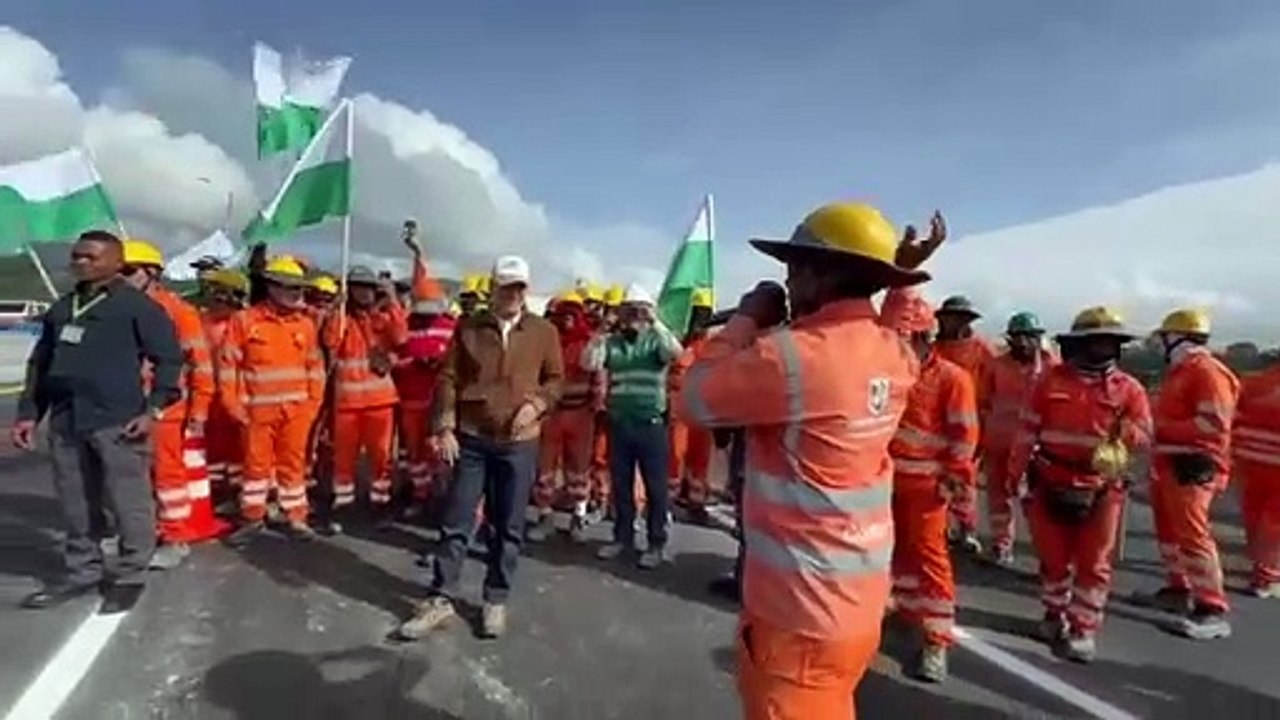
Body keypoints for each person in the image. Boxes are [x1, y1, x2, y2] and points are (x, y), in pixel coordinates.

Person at [679, 202, 945, 720]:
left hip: (796, 615)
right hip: (855, 607)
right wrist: (899, 275)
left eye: (795, 267)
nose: (787, 279)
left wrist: (746, 319)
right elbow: (888, 321)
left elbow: (693, 398)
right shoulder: (893, 353)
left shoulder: (790, 357)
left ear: (819, 274)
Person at [12, 230, 183, 614]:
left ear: (117, 262)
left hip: (119, 420)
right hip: (67, 419)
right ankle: (83, 571)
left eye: (90, 256)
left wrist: (152, 410)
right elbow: (41, 364)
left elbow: (169, 360)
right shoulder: (63, 307)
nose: (80, 262)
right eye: (77, 255)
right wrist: (28, 414)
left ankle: (130, 574)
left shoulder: (137, 307)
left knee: (128, 501)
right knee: (76, 501)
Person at [398, 255, 563, 640]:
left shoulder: (543, 332)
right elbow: (448, 378)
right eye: (506, 287)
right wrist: (445, 426)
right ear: (493, 288)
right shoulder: (469, 328)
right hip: (472, 439)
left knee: (508, 525)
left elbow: (555, 380)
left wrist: (538, 405)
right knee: (456, 520)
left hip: (518, 443)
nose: (513, 294)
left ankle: (495, 598)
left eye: (519, 287)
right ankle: (441, 597)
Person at [1007, 307, 1151, 663]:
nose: (1103, 348)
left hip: (1102, 488)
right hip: (1049, 480)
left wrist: (1124, 433)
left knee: (1094, 563)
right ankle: (1054, 613)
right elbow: (1026, 431)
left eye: (1110, 342)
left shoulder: (1129, 389)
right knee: (1053, 560)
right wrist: (1015, 475)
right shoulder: (1048, 382)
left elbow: (1145, 435)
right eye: (1096, 341)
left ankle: (1083, 627)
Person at [886, 289, 979, 683]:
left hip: (926, 487)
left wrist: (954, 481)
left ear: (923, 337)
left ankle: (937, 640)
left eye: (902, 338)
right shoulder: (889, 373)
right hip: (883, 482)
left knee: (929, 557)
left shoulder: (952, 379)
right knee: (893, 551)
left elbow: (964, 437)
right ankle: (905, 609)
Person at [1139, 309, 1240, 639]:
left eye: (1165, 337)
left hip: (1194, 465)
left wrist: (1160, 428)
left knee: (1194, 535)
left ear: (1178, 337)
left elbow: (1214, 424)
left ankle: (1212, 607)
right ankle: (1179, 589)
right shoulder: (1181, 371)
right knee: (1170, 533)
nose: (1161, 344)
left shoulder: (1207, 372)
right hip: (1170, 463)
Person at [119, 239, 216, 570]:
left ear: (152, 273)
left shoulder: (179, 312)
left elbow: (201, 364)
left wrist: (199, 411)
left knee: (166, 475)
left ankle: (176, 537)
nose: (121, 278)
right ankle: (137, 532)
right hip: (121, 406)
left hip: (165, 409)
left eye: (128, 271)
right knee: (128, 475)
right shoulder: (114, 308)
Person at [219, 257, 326, 546]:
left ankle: (296, 517)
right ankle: (252, 517)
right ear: (273, 287)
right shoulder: (245, 321)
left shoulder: (305, 325)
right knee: (255, 467)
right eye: (291, 288)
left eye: (299, 288)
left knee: (293, 465)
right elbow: (228, 366)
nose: (297, 294)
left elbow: (315, 368)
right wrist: (233, 405)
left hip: (297, 412)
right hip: (256, 411)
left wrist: (312, 405)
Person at [583, 284, 683, 569]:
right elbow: (589, 363)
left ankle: (656, 543)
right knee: (621, 485)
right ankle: (622, 538)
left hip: (651, 425)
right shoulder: (612, 342)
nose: (634, 316)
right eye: (629, 310)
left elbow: (675, 353)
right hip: (620, 424)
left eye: (639, 310)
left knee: (656, 488)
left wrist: (655, 321)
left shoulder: (656, 341)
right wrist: (602, 330)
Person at [321, 266, 408, 523]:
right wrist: (336, 309)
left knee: (381, 456)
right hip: (347, 402)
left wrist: (392, 301)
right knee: (343, 457)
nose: (364, 292)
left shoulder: (383, 318)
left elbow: (401, 337)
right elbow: (330, 341)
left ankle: (380, 501)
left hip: (380, 402)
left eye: (368, 287)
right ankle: (343, 502)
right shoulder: (342, 320)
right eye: (357, 287)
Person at [977, 311, 1057, 565]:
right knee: (998, 498)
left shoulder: (1052, 368)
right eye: (1017, 337)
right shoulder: (997, 365)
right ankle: (1002, 546)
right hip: (999, 443)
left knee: (1036, 503)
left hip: (1036, 448)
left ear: (1038, 338)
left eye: (1028, 337)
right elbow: (983, 402)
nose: (1022, 342)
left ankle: (1047, 555)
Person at [393, 233, 456, 518]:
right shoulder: (405, 326)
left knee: (441, 453)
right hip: (410, 401)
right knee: (415, 454)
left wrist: (439, 363)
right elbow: (394, 358)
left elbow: (460, 363)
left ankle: (443, 498)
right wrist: (414, 363)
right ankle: (420, 495)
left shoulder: (452, 327)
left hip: (440, 403)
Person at [529, 290, 598, 543]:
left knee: (579, 468)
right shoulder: (548, 342)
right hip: (551, 414)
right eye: (563, 313)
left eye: (573, 313)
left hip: (581, 414)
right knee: (545, 466)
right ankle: (545, 515)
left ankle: (578, 516)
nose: (568, 318)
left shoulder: (590, 342)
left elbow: (599, 375)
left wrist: (597, 406)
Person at [933, 294, 996, 553]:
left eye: (961, 318)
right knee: (936, 477)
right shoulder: (934, 348)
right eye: (950, 317)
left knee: (964, 476)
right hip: (936, 422)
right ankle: (941, 527)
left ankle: (967, 529)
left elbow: (994, 386)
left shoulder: (982, 350)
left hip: (970, 422)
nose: (955, 322)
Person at [199, 269, 249, 509]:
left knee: (239, 449)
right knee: (214, 447)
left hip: (237, 395)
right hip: (209, 396)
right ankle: (217, 491)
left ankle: (238, 492)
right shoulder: (202, 321)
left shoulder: (242, 324)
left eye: (218, 292)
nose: (213, 297)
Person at [667, 287, 717, 520]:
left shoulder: (715, 344)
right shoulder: (677, 344)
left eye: (705, 313)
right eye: (698, 313)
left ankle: (696, 500)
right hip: (679, 407)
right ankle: (669, 500)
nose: (701, 319)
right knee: (675, 454)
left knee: (700, 456)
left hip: (704, 409)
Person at [1232, 360, 1280, 598]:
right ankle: (1266, 576)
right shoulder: (1257, 384)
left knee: (1256, 517)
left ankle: (1261, 570)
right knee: (1273, 524)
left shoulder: (1256, 383)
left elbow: (1234, 418)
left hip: (1250, 461)